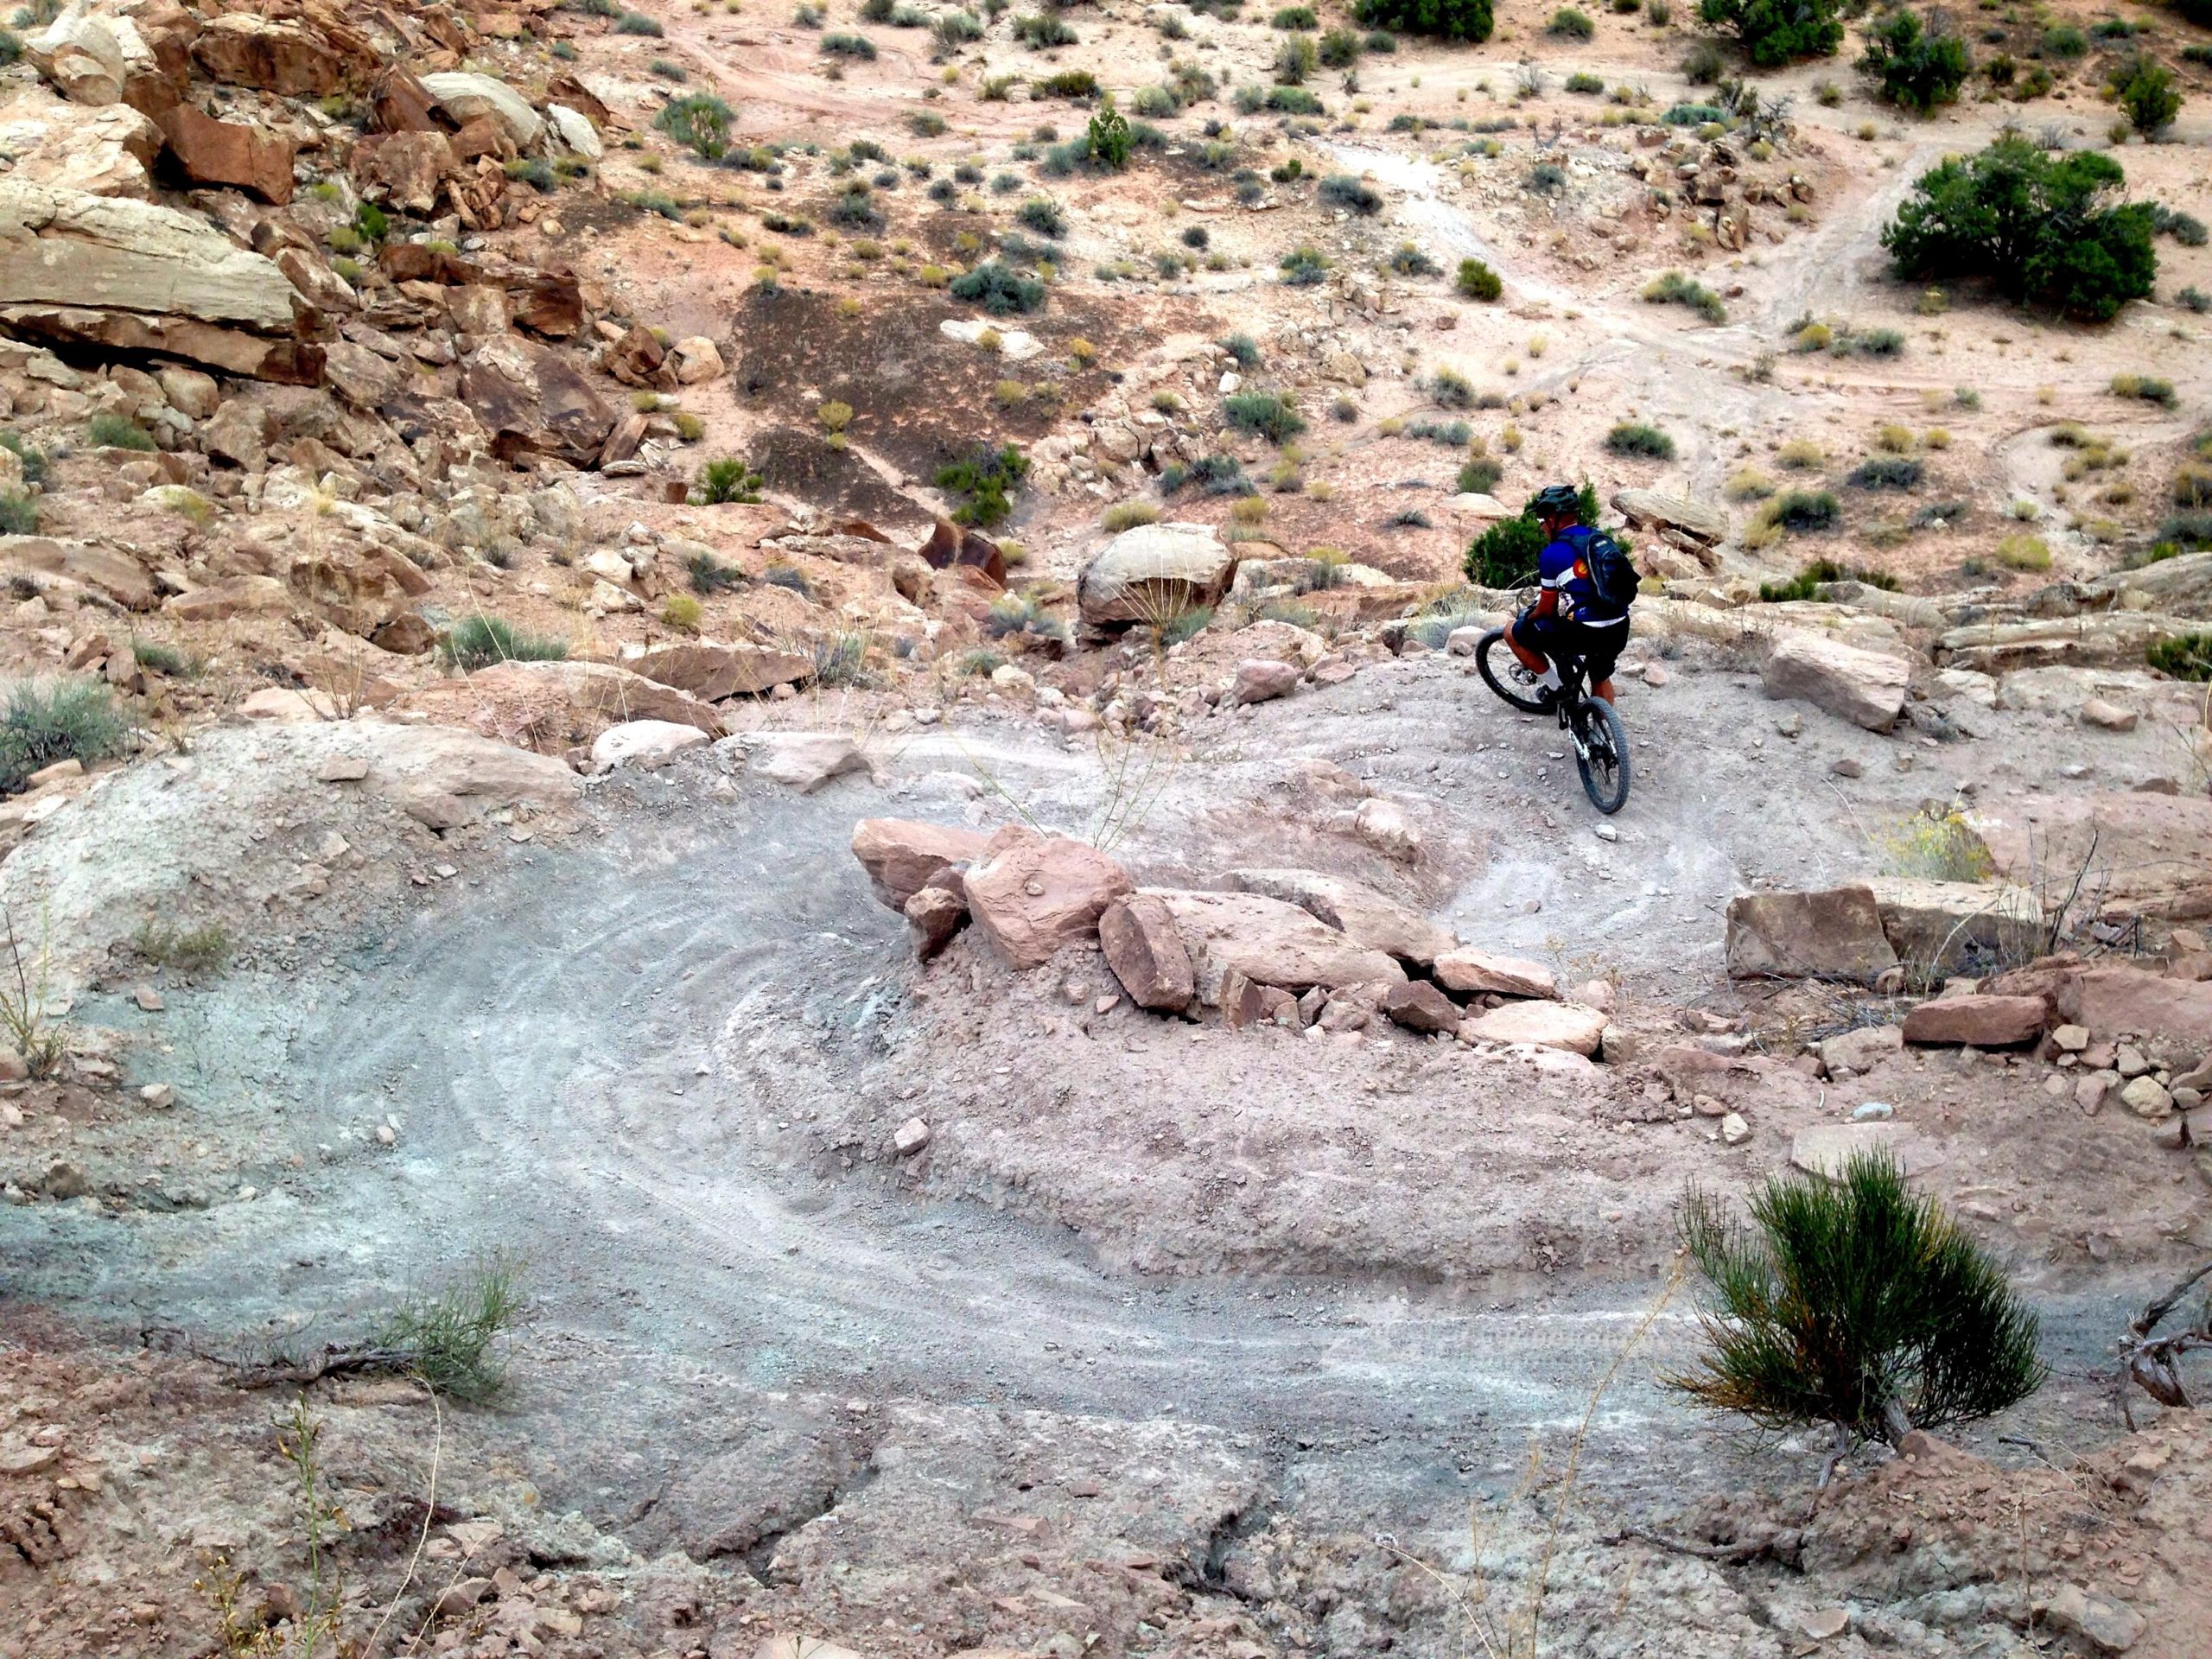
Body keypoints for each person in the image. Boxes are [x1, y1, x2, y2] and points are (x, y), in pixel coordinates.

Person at [1505, 483, 1629, 706]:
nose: (1542, 526)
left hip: (1585, 632)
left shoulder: (1552, 554)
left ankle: (1558, 689)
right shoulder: (1598, 538)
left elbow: (1547, 608)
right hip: (1619, 625)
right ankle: (1602, 735)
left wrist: (1530, 617)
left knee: (1512, 632)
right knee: (1600, 676)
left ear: (1553, 519)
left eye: (1542, 520)